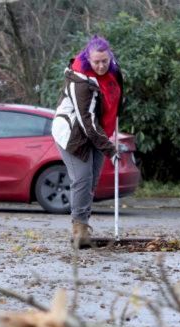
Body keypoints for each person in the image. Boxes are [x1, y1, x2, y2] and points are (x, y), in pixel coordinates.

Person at [51, 35, 123, 248]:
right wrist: (111, 149)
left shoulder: (113, 70)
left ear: (109, 56)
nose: (101, 66)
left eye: (105, 61)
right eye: (96, 62)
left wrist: (113, 131)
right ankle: (79, 231)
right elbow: (87, 122)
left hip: (98, 132)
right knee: (82, 178)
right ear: (88, 59)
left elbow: (117, 97)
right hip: (73, 133)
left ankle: (83, 224)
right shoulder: (80, 82)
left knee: (91, 181)